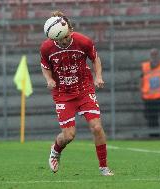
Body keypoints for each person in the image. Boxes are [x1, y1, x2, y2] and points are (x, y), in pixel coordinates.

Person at [40, 11, 113, 176]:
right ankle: (56, 150)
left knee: (96, 127)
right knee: (69, 135)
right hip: (63, 94)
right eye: (59, 39)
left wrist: (98, 76)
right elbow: (45, 66)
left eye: (65, 37)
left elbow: (95, 58)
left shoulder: (83, 41)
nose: (64, 41)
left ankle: (103, 167)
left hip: (84, 89)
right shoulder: (46, 48)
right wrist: (50, 80)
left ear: (70, 30)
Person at [140, 48, 160, 137]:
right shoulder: (145, 66)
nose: (154, 56)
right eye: (152, 55)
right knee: (151, 119)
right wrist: (142, 92)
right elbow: (141, 80)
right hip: (149, 98)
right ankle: (154, 136)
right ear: (150, 56)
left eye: (156, 54)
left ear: (159, 55)